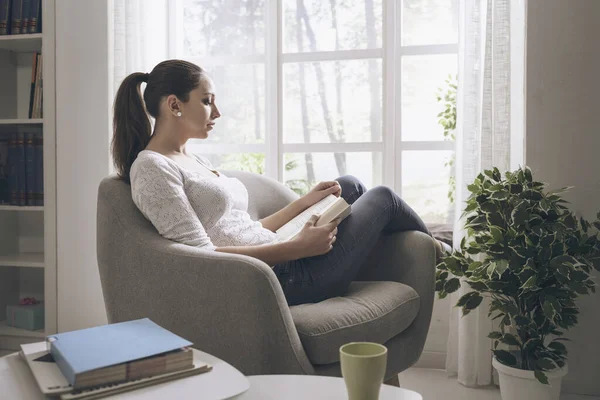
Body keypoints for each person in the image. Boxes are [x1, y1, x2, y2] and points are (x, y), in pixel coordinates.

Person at [112, 59, 451, 306]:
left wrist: (303, 203)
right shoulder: (153, 168)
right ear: (174, 105)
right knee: (384, 198)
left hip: (282, 254)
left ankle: (419, 254)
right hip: (281, 278)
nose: (217, 112)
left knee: (346, 185)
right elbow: (198, 257)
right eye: (207, 100)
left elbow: (243, 228)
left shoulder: (192, 159)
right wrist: (297, 248)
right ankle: (447, 257)